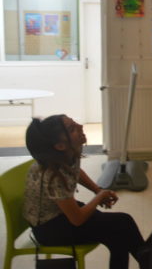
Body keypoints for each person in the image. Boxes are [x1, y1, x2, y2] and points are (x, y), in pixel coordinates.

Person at [23, 115, 144, 269]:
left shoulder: (69, 152)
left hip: (60, 213)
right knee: (122, 224)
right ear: (60, 146)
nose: (80, 126)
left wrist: (97, 190)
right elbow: (77, 219)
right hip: (49, 229)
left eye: (75, 123)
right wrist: (99, 197)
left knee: (118, 230)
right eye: (72, 129)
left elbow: (76, 171)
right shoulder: (53, 176)